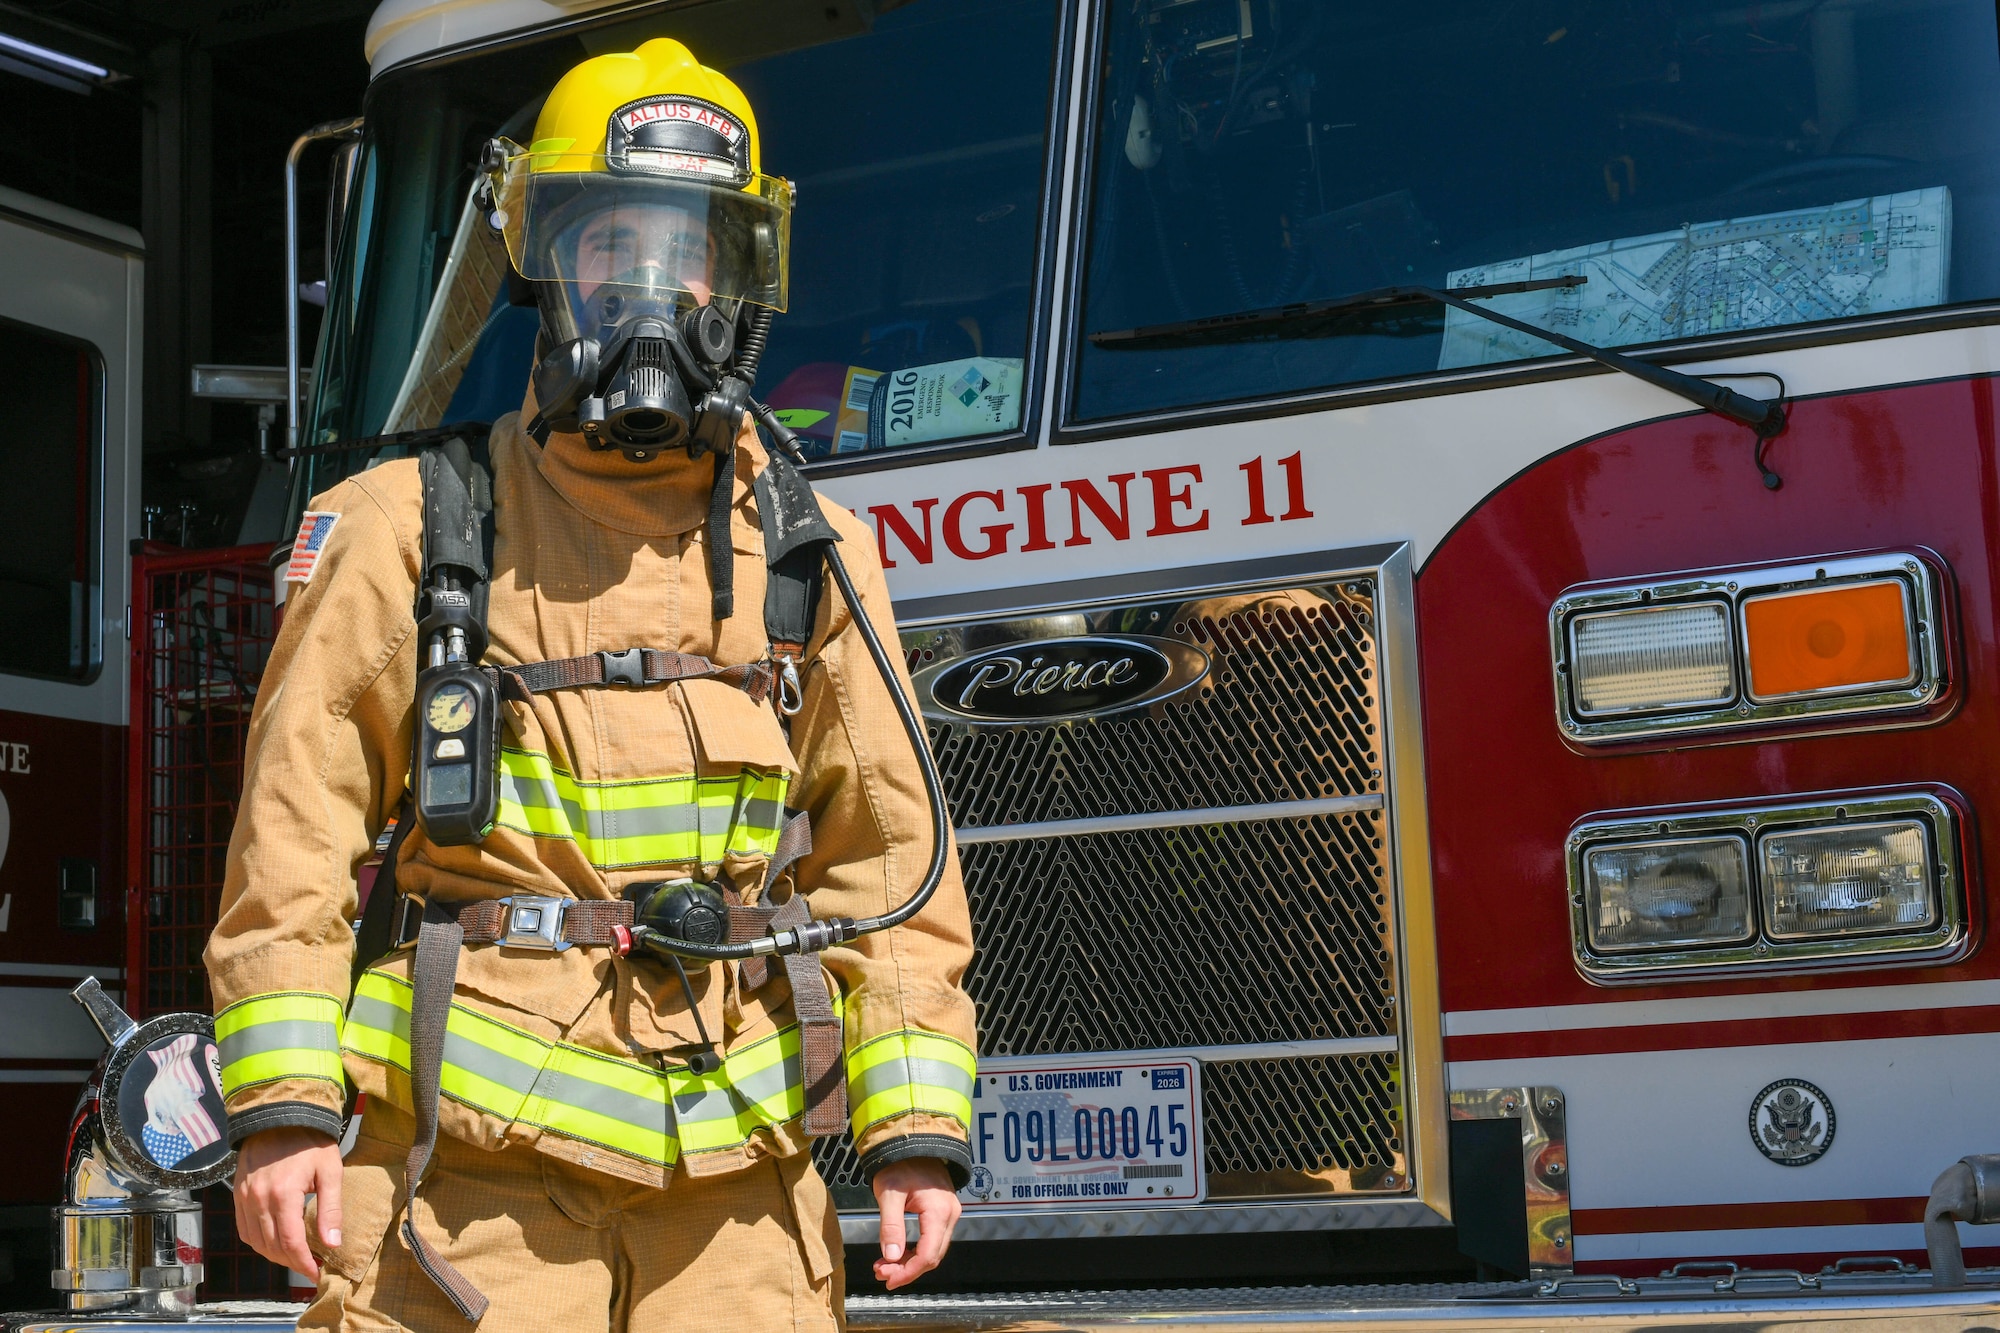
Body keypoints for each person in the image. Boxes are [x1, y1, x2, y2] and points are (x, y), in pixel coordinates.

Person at [205, 38, 977, 1333]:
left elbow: (892, 866)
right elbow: (294, 835)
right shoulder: (412, 529)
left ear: (742, 278)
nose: (650, 297)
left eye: (687, 254)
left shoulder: (806, 557)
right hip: (468, 1206)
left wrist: (914, 1125)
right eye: (610, 253)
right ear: (543, 266)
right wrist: (282, 1113)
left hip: (738, 1212)